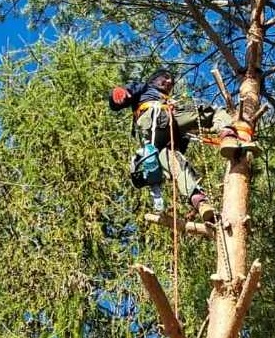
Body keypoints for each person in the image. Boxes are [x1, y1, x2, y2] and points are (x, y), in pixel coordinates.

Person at [109, 70, 254, 223]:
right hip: (157, 117)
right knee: (214, 112)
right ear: (153, 80)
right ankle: (229, 137)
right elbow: (124, 95)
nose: (169, 82)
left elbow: (179, 141)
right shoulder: (146, 88)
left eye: (171, 81)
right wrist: (119, 94)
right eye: (165, 78)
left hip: (155, 136)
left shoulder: (164, 98)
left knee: (177, 163)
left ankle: (200, 202)